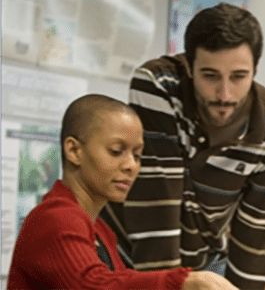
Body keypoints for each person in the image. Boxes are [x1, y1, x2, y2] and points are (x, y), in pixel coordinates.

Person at [100, 3, 265, 289]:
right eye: (210, 76)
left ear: (255, 70)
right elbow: (158, 204)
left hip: (202, 260)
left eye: (238, 77)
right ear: (189, 65)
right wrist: (169, 285)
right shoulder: (159, 86)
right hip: (120, 246)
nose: (224, 94)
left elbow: (258, 242)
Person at [7, 94, 237, 290]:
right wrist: (186, 281)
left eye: (137, 155)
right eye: (116, 151)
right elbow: (94, 285)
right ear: (74, 150)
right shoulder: (55, 218)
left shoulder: (101, 230)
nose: (131, 166)